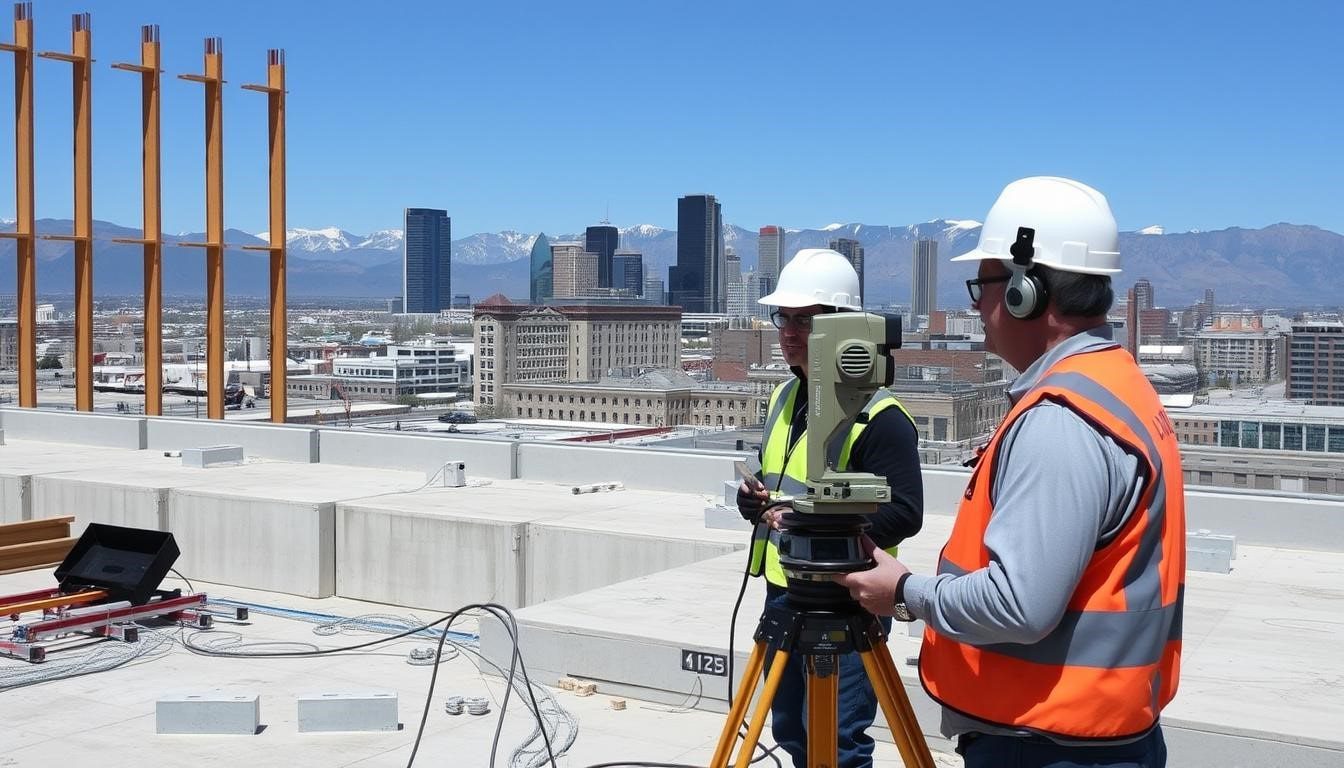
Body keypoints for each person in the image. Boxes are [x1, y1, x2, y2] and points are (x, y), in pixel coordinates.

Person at [835, 177, 1186, 768]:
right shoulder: (1115, 385)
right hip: (1092, 732)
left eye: (984, 284)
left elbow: (1019, 606)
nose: (976, 304)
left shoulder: (1061, 421)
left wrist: (902, 591)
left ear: (1027, 291)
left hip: (1050, 745)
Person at [737, 248, 924, 768]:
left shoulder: (880, 417)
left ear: (844, 328)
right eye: (785, 318)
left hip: (849, 602)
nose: (789, 332)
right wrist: (755, 502)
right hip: (786, 592)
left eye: (806, 320)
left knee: (840, 745)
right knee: (793, 730)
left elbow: (906, 512)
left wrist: (818, 528)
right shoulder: (784, 398)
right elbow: (778, 480)